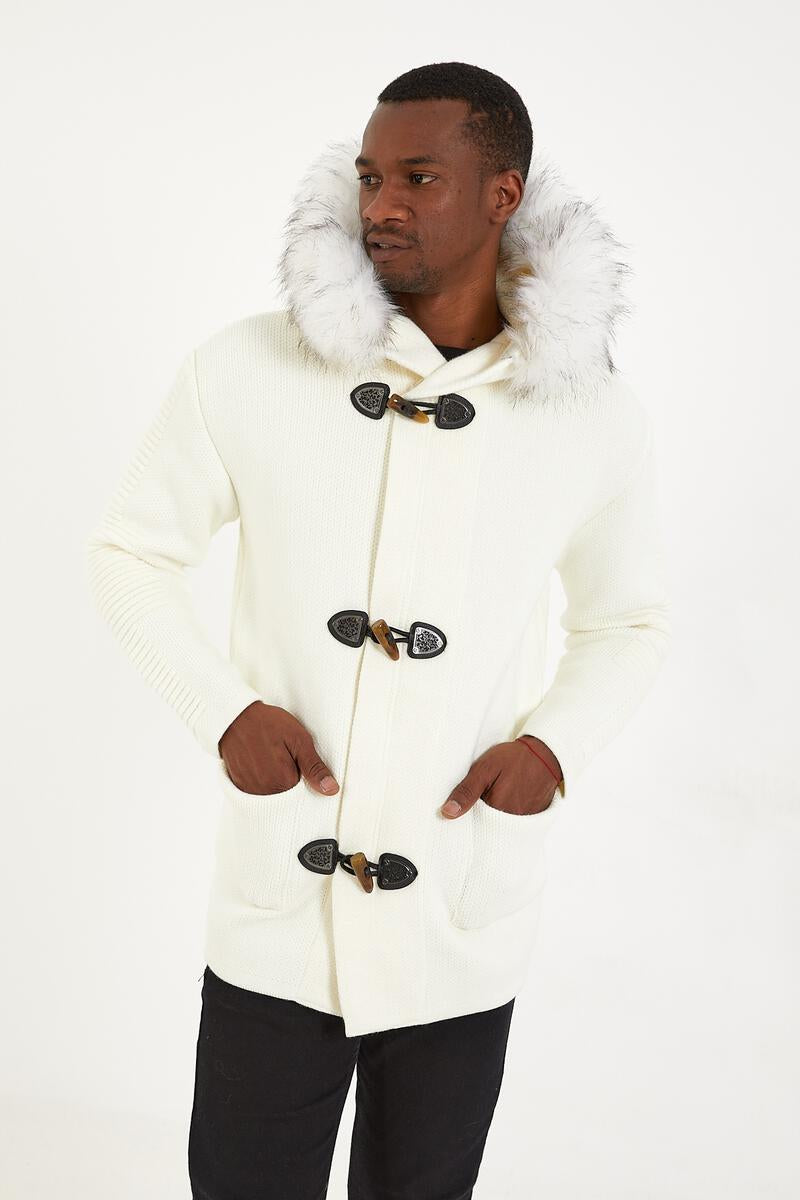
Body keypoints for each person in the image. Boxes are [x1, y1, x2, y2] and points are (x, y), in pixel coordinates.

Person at [86, 60, 671, 1200]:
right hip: (280, 906)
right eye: (368, 177)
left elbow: (631, 619)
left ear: (502, 194)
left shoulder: (589, 413)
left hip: (459, 904)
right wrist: (223, 712)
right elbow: (129, 553)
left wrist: (551, 751)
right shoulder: (247, 366)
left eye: (417, 177)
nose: (381, 206)